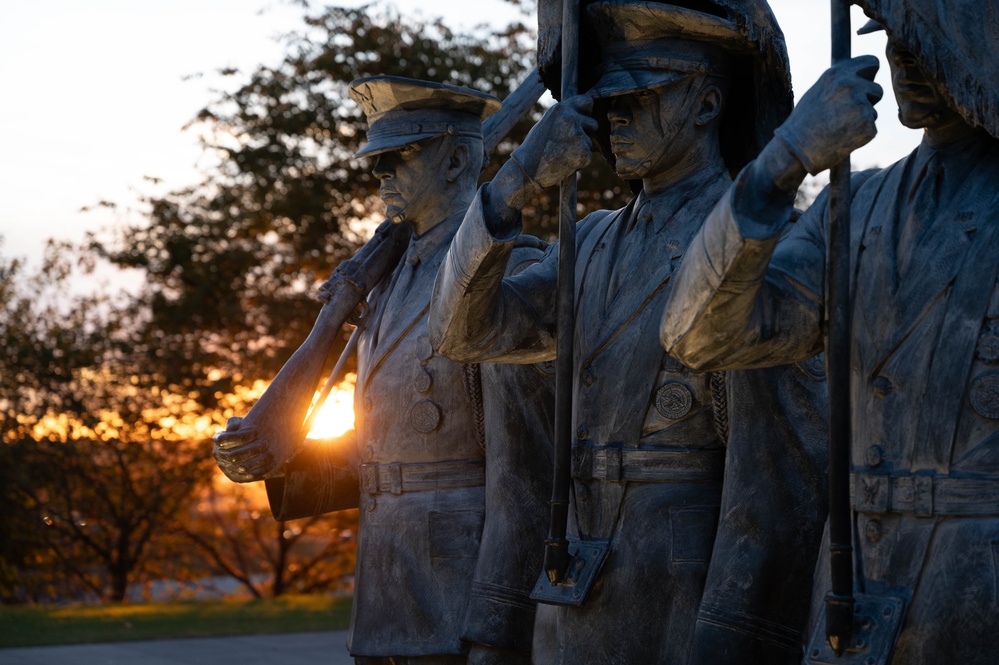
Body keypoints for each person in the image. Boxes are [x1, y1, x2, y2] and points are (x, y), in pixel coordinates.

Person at [430, 2, 827, 662]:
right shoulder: (587, 242)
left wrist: (740, 628)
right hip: (573, 577)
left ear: (704, 105)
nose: (615, 117)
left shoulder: (760, 247)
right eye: (607, 103)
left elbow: (777, 477)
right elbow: (463, 332)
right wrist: (516, 179)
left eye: (638, 99)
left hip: (684, 589)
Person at [661, 1, 999, 662]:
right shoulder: (853, 204)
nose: (900, 59)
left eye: (924, 41)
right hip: (855, 593)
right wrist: (784, 160)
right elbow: (699, 335)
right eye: (893, 40)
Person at [214, 76, 555, 665]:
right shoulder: (386, 278)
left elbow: (525, 472)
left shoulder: (509, 269)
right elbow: (389, 436)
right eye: (376, 162)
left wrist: (502, 622)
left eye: (399, 158)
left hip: (463, 587)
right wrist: (269, 448)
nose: (380, 177)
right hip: (384, 584)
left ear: (454, 161)